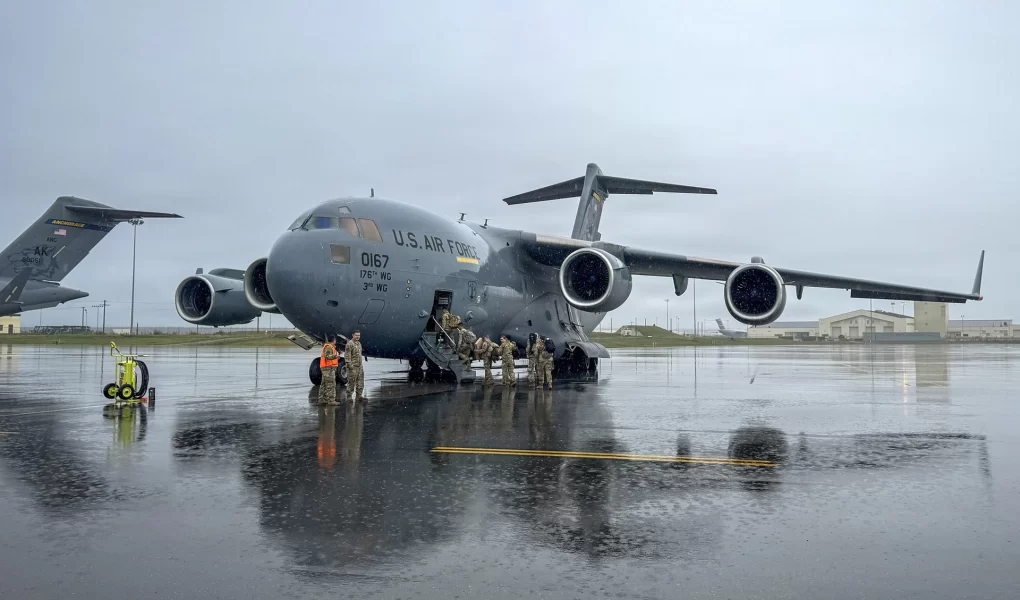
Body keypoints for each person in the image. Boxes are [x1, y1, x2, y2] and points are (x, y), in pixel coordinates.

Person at [318, 337, 339, 405]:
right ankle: (331, 400)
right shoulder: (328, 347)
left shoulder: (330, 347)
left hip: (326, 367)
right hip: (328, 368)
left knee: (324, 384)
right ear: (334, 341)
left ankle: (322, 399)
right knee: (331, 384)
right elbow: (327, 356)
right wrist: (335, 356)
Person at [345, 330, 365, 401]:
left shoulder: (359, 343)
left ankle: (359, 396)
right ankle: (349, 396)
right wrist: (350, 365)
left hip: (359, 366)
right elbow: (347, 356)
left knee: (360, 382)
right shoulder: (349, 344)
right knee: (351, 382)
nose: (357, 337)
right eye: (356, 335)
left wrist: (360, 365)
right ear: (353, 335)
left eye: (359, 335)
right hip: (353, 366)